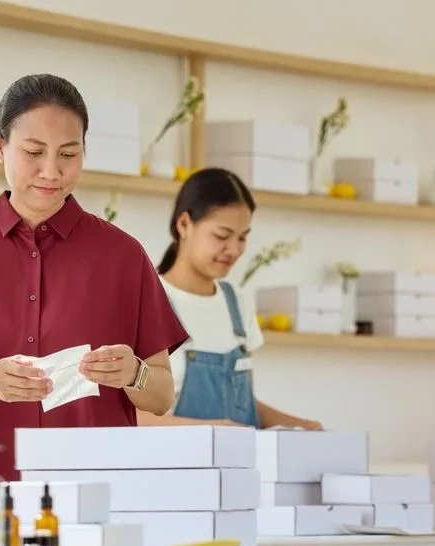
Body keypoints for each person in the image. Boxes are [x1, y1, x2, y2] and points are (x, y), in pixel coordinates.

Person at [0, 74, 189, 481]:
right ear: (0, 146)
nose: (51, 171)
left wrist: (133, 373)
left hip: (99, 496)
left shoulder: (124, 256)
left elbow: (161, 395)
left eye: (68, 154)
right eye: (33, 152)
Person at [137, 167, 324, 430]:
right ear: (184, 224)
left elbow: (242, 404)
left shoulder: (235, 302)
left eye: (242, 237)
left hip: (242, 465)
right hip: (177, 465)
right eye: (222, 236)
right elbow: (129, 417)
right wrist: (212, 432)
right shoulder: (146, 302)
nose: (234, 250)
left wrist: (304, 426)